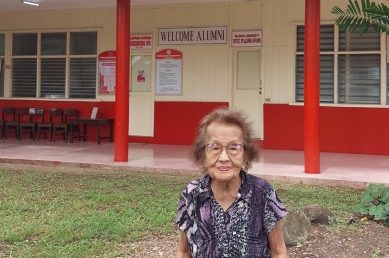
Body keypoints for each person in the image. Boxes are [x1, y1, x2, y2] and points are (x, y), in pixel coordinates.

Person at [175, 108, 288, 258]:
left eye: (233, 147)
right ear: (203, 155)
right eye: (214, 147)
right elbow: (184, 252)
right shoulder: (192, 194)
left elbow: (279, 252)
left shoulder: (263, 193)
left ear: (246, 155)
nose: (223, 157)